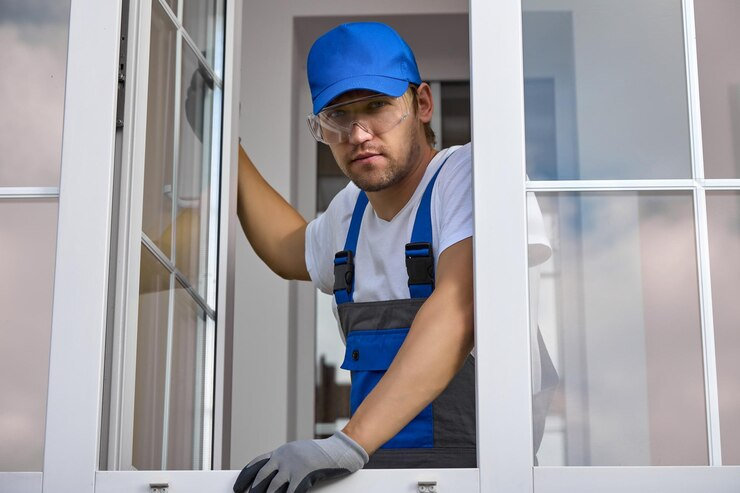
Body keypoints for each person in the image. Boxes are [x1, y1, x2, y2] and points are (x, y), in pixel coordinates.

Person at [233, 21, 552, 493]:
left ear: (421, 104)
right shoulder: (351, 213)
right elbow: (288, 248)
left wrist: (345, 444)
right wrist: (228, 150)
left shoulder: (469, 174)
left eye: (377, 107)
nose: (359, 134)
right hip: (379, 483)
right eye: (338, 115)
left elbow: (459, 308)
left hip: (482, 483)